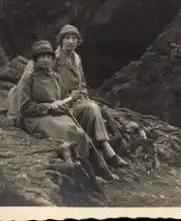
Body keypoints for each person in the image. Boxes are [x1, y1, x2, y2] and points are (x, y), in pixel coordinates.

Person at [18, 40, 116, 190]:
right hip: (37, 118)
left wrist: (71, 98)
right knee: (68, 133)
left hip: (56, 114)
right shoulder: (28, 78)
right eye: (41, 56)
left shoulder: (55, 77)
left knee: (80, 133)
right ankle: (85, 176)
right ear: (35, 59)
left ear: (52, 59)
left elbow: (63, 97)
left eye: (48, 56)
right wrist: (48, 106)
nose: (45, 59)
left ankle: (96, 169)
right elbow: (24, 107)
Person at [54, 24, 128, 168]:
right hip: (63, 104)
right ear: (61, 40)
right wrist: (67, 97)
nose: (71, 41)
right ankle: (108, 151)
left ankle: (102, 153)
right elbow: (48, 84)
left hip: (78, 102)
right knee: (93, 109)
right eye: (67, 38)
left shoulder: (77, 58)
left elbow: (82, 82)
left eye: (74, 38)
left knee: (93, 108)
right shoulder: (54, 59)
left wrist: (83, 93)